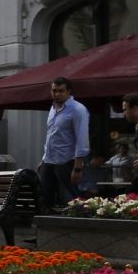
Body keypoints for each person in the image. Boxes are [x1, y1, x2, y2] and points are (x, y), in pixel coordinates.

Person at [39, 76, 90, 210]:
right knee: (44, 196)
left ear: (69, 91)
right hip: (49, 160)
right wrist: (43, 159)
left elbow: (82, 139)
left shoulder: (78, 110)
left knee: (72, 198)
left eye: (61, 91)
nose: (57, 94)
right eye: (54, 91)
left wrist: (77, 168)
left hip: (66, 161)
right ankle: (47, 226)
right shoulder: (53, 109)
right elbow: (51, 136)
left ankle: (79, 224)